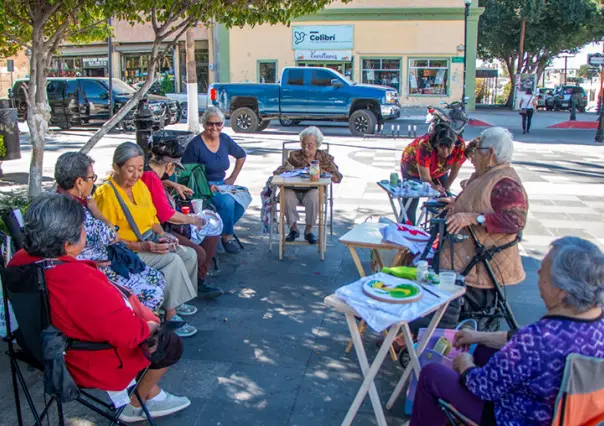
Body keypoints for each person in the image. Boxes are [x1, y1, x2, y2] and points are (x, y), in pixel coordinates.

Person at [8, 194, 191, 422]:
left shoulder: (18, 260)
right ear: (67, 244)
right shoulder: (78, 280)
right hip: (80, 361)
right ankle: (135, 402)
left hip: (39, 347)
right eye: (83, 228)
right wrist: (152, 326)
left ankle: (148, 393)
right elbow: (129, 334)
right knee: (169, 342)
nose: (86, 232)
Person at [410, 236, 604, 426]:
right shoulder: (596, 324)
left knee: (431, 374)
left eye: (543, 274)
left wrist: (465, 365)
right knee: (484, 351)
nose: (537, 274)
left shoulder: (537, 338)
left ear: (562, 291)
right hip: (569, 414)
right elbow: (519, 341)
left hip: (514, 418)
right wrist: (479, 337)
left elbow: (483, 388)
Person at [94, 142, 199, 338]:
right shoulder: (105, 194)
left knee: (189, 254)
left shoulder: (141, 186)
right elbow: (107, 239)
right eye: (130, 170)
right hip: (124, 251)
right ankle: (171, 315)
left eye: (140, 169)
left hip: (146, 241)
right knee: (172, 260)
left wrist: (162, 235)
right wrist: (143, 246)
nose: (136, 175)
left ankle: (176, 300)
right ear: (116, 168)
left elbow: (152, 219)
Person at [54, 152, 166, 312]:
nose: (93, 183)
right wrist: (95, 210)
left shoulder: (61, 199)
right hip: (92, 271)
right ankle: (138, 329)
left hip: (97, 263)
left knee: (157, 278)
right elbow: (112, 235)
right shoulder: (77, 211)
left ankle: (148, 323)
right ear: (79, 182)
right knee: (154, 293)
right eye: (92, 178)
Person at [141, 138, 223, 299]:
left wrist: (173, 185)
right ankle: (193, 285)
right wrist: (193, 220)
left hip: (158, 225)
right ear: (170, 165)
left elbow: (157, 185)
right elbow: (167, 215)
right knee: (198, 252)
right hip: (157, 228)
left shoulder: (151, 175)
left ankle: (198, 281)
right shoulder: (150, 177)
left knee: (211, 234)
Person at [181, 106, 247, 254]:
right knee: (227, 202)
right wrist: (205, 187)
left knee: (244, 197)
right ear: (204, 124)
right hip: (203, 188)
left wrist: (233, 177)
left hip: (222, 184)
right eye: (210, 124)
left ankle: (218, 230)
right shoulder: (195, 145)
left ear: (223, 124)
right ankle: (226, 237)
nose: (214, 127)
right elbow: (187, 172)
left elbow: (241, 155)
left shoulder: (224, 139)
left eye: (218, 124)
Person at [273, 126, 342, 244]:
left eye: (310, 145)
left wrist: (323, 172)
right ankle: (293, 229)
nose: (306, 148)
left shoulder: (324, 157)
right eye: (303, 144)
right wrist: (288, 170)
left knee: (314, 196)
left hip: (313, 190)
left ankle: (309, 230)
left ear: (317, 144)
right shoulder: (295, 155)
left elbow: (338, 177)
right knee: (285, 195)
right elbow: (277, 172)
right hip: (293, 189)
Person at [399, 123, 466, 224]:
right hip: (413, 169)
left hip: (439, 170)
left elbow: (454, 172)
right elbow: (425, 178)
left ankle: (437, 230)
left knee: (444, 199)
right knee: (411, 199)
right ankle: (405, 230)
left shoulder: (460, 146)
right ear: (436, 144)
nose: (446, 152)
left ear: (454, 144)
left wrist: (445, 189)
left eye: (449, 148)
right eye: (442, 148)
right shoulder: (425, 145)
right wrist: (434, 186)